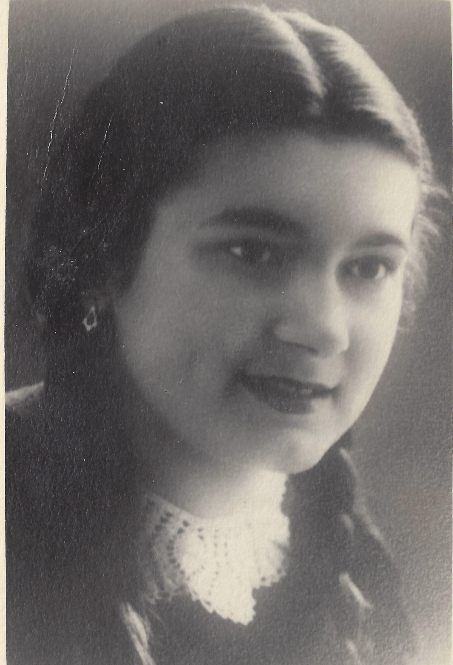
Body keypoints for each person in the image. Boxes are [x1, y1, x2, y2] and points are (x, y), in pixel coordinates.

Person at [6, 5, 445, 665]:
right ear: (105, 254)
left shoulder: (350, 562)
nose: (323, 329)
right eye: (252, 252)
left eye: (368, 268)